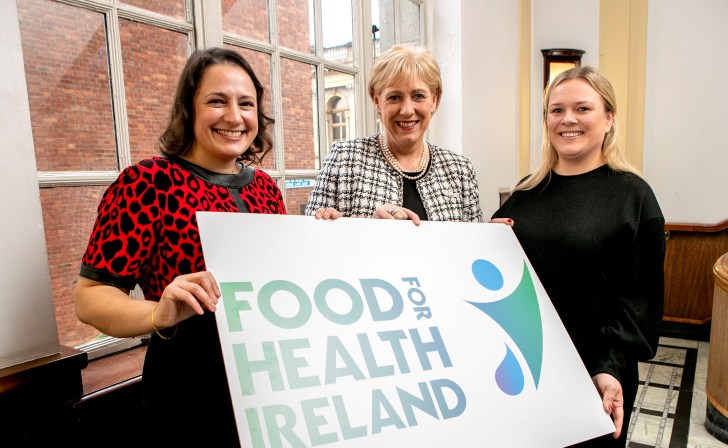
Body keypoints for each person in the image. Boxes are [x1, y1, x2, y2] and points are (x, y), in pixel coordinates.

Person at [75, 47, 286, 446]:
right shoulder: (147, 182)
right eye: (217, 101)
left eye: (246, 104)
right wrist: (160, 312)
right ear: (189, 109)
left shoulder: (266, 189)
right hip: (190, 391)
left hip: (266, 383)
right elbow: (90, 299)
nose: (234, 116)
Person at [491, 66, 665, 447]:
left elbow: (639, 302)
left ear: (609, 118)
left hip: (595, 376)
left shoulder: (634, 198)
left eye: (582, 108)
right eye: (557, 110)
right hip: (524, 370)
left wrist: (610, 367)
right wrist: (488, 240)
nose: (567, 119)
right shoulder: (526, 194)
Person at [305, 43, 482, 224]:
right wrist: (362, 227)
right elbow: (310, 236)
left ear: (434, 100)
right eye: (394, 97)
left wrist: (493, 234)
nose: (407, 110)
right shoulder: (343, 160)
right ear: (377, 102)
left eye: (418, 96)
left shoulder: (460, 171)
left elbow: (473, 242)